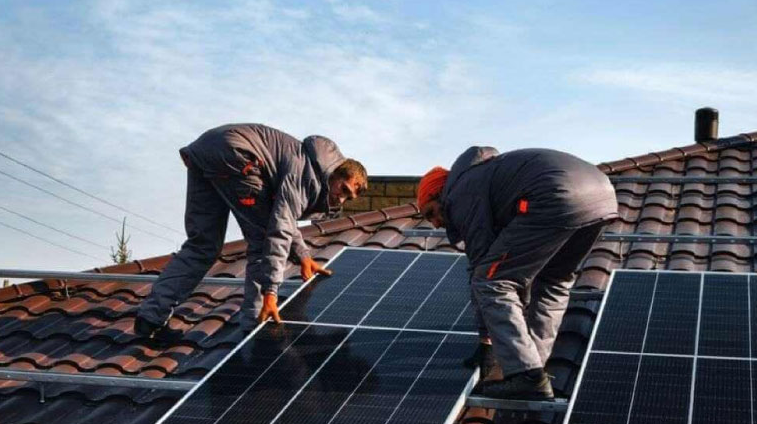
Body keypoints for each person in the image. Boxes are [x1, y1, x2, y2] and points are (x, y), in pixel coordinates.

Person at [134, 123, 367, 343]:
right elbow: (279, 228)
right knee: (262, 240)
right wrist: (271, 292)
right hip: (238, 155)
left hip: (205, 151)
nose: (341, 198)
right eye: (343, 189)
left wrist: (303, 257)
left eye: (349, 197)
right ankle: (256, 326)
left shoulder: (312, 166)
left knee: (202, 244)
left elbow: (281, 214)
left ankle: (150, 318)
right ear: (334, 173)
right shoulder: (307, 175)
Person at [417, 146, 618, 400]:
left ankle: (526, 375)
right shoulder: (484, 177)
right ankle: (535, 366)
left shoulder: (460, 194)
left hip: (554, 195)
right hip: (603, 196)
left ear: (440, 194)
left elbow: (483, 268)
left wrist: (486, 340)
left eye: (431, 212)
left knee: (492, 281)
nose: (434, 224)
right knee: (553, 281)